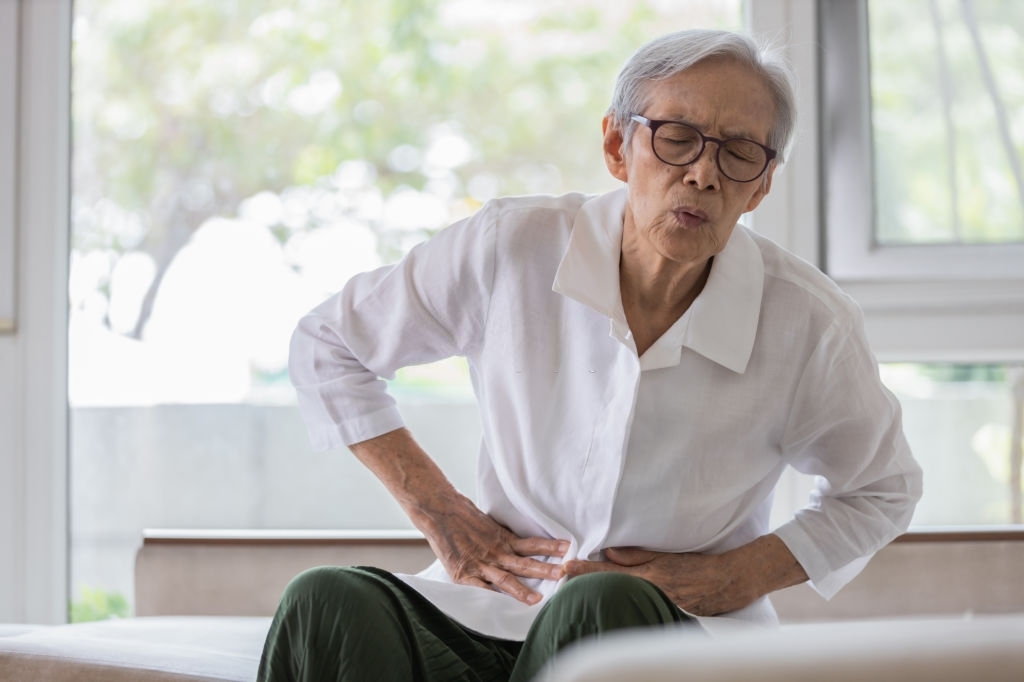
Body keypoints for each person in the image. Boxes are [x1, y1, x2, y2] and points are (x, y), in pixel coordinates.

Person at [258, 28, 923, 682]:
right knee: (325, 600)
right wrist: (441, 513)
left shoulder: (807, 321)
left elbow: (882, 487)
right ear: (617, 145)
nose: (702, 173)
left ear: (762, 186)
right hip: (492, 608)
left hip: (677, 635)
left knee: (599, 607)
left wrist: (736, 574)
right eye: (677, 137)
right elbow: (329, 344)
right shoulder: (512, 247)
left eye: (739, 152)